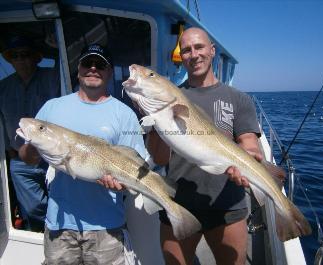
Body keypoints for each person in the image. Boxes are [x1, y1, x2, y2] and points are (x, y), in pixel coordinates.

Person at [19, 43, 147, 265]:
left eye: (100, 65)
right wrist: (33, 143)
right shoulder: (52, 108)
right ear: (78, 69)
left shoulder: (124, 114)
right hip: (60, 225)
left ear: (109, 72)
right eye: (88, 63)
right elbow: (28, 159)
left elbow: (136, 168)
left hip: (106, 226)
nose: (93, 69)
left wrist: (121, 184)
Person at [147, 27, 263, 265]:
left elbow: (250, 144)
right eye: (186, 50)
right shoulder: (169, 96)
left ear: (212, 51)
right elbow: (159, 160)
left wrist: (250, 159)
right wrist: (158, 117)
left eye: (199, 47)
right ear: (182, 57)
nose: (194, 54)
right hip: (179, 202)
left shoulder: (238, 99)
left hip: (227, 205)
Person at [0, 35, 60, 231]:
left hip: (51, 157)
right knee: (32, 209)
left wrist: (58, 47)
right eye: (15, 56)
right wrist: (9, 150)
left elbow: (69, 70)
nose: (20, 59)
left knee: (62, 202)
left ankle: (59, 232)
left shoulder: (52, 77)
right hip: (19, 160)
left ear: (36, 57)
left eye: (25, 54)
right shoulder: (3, 87)